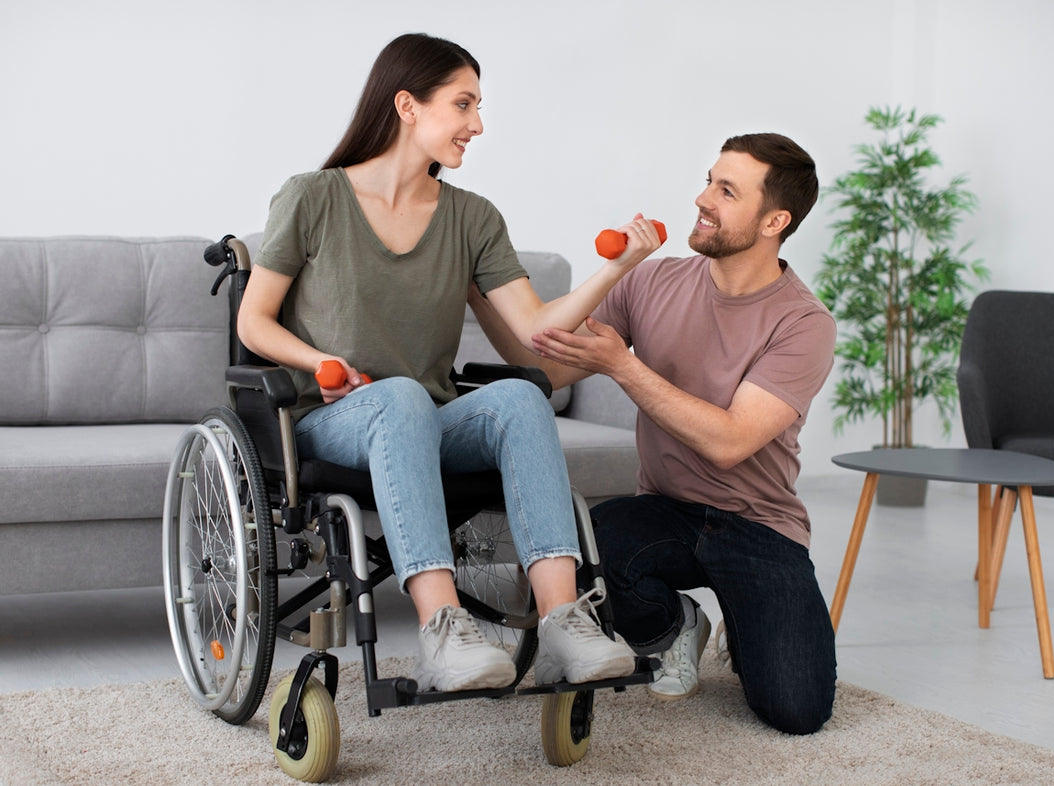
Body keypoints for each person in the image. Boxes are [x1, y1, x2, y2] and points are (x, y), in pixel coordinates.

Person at [236, 33, 660, 693]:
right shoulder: (312, 198)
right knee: (403, 396)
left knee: (521, 396)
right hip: (330, 416)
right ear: (407, 105)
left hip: (426, 418)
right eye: (463, 105)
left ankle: (563, 623)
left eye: (479, 107)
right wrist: (320, 359)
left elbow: (532, 335)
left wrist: (616, 269)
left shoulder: (473, 218)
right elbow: (253, 321)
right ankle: (441, 632)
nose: (478, 124)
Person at [470, 132, 837, 733]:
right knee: (586, 547)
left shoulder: (804, 323)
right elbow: (552, 366)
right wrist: (481, 290)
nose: (703, 198)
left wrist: (622, 365)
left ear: (775, 220)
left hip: (759, 525)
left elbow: (729, 442)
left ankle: (747, 628)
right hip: (662, 512)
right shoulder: (651, 282)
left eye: (726, 190)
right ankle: (678, 625)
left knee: (796, 709)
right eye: (708, 179)